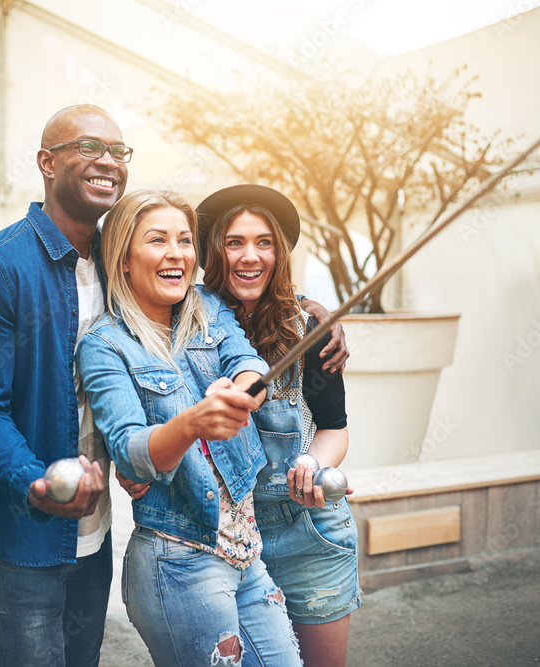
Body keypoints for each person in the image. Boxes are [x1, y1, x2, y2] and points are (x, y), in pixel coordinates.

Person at [76, 189, 301, 666]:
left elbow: (248, 362)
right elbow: (131, 450)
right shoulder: (105, 345)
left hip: (246, 552)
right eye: (157, 240)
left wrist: (242, 391)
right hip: (177, 560)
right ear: (123, 260)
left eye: (184, 240)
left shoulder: (206, 306)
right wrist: (194, 421)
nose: (176, 253)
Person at [0, 104, 121, 666]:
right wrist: (36, 482)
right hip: (17, 530)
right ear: (47, 162)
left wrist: (307, 310)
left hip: (94, 525)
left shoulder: (120, 264)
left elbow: (201, 300)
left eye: (119, 152)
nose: (108, 162)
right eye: (90, 148)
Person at [198, 184, 361, 667]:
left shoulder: (310, 331)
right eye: (235, 242)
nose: (251, 256)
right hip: (218, 539)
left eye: (264, 242)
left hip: (308, 531)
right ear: (214, 250)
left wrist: (314, 462)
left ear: (280, 253)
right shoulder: (185, 322)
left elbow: (335, 427)